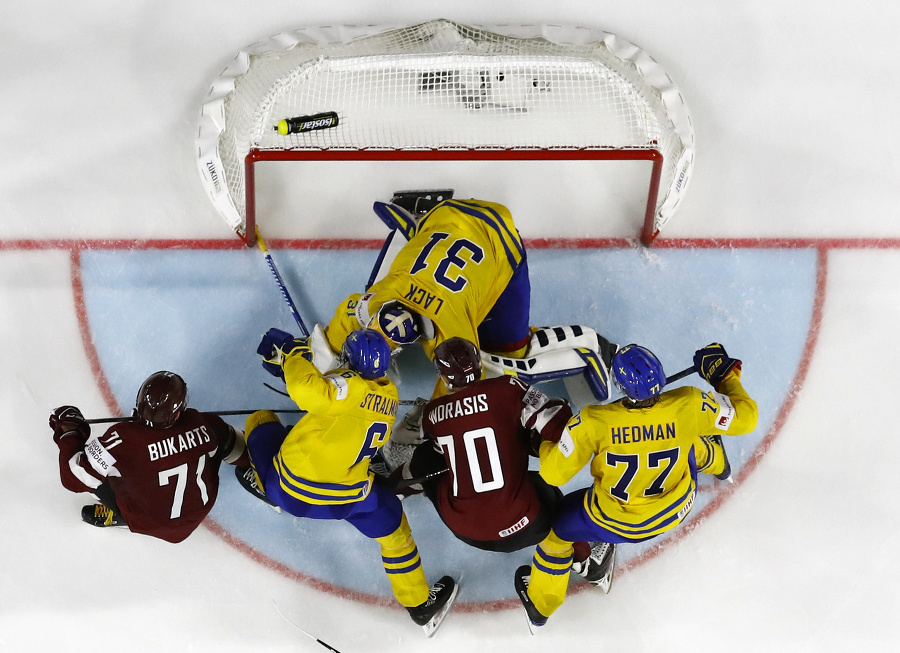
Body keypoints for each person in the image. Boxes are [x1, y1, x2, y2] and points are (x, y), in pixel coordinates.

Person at [514, 343, 759, 632]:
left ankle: (541, 608)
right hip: (675, 508)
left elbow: (553, 474)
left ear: (619, 385)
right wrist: (723, 376)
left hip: (614, 521)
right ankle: (720, 465)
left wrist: (544, 440)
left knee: (554, 536)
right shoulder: (689, 403)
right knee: (687, 442)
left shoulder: (593, 422)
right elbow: (747, 417)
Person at [300, 197, 618, 405]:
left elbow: (457, 398)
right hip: (446, 215)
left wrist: (421, 430)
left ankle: (590, 345)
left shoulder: (451, 334)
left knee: (508, 356)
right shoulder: (372, 301)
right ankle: (416, 227)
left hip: (500, 241)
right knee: (392, 273)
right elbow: (337, 331)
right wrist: (319, 361)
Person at [250, 326, 459, 637]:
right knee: (394, 529)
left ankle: (260, 484)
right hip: (347, 499)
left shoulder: (347, 385)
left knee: (261, 421)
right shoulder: (389, 395)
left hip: (288, 491)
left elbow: (309, 392)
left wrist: (295, 356)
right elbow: (344, 394)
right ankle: (418, 605)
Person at [390, 336, 602, 570]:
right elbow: (557, 425)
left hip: (463, 529)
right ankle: (586, 562)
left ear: (443, 375)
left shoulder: (432, 413)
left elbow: (448, 450)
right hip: (526, 526)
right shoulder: (507, 389)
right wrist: (540, 428)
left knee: (426, 456)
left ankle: (395, 488)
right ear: (479, 364)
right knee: (551, 492)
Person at [50, 371, 250, 544]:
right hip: (197, 512)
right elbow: (239, 449)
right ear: (178, 413)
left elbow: (72, 476)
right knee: (218, 445)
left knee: (99, 475)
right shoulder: (208, 425)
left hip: (146, 520)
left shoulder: (120, 440)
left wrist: (69, 432)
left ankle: (121, 515)